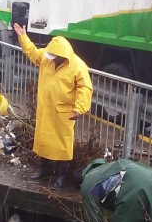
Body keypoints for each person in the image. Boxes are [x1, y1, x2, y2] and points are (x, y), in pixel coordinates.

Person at [13, 23, 93, 189]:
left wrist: (79, 108)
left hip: (64, 113)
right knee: (44, 141)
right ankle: (45, 169)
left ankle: (61, 176)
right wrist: (23, 37)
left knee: (63, 145)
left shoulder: (78, 66)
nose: (51, 58)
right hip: (46, 109)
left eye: (54, 56)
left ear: (62, 55)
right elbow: (33, 53)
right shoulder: (48, 58)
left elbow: (85, 88)